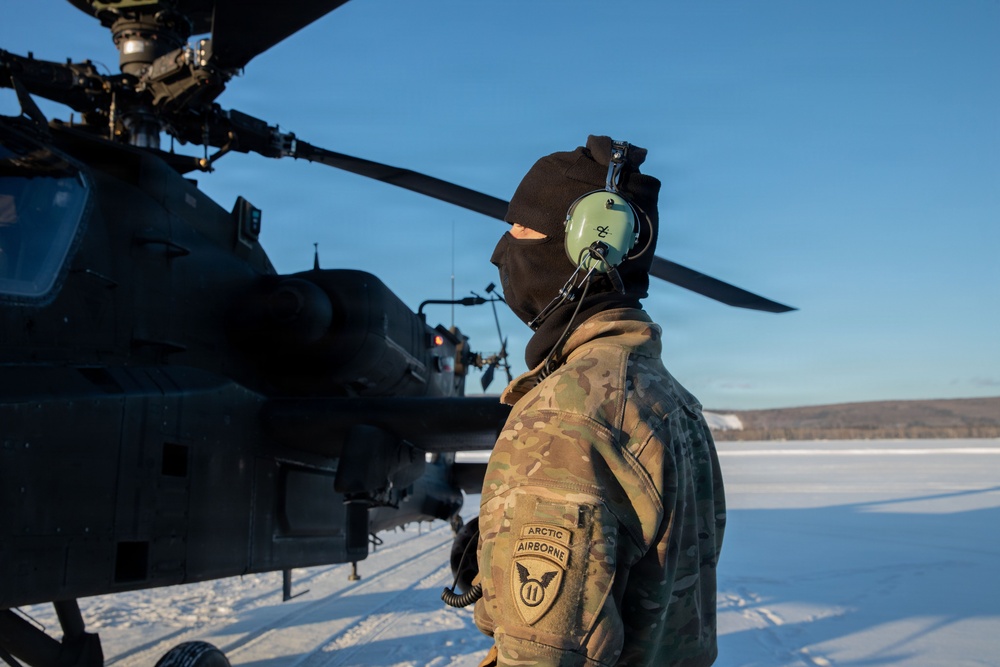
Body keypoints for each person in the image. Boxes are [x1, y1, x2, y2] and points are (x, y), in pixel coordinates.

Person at [474, 135, 726, 667]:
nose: (503, 250)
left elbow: (543, 656)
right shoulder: (674, 402)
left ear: (592, 246)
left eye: (521, 230)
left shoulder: (566, 416)